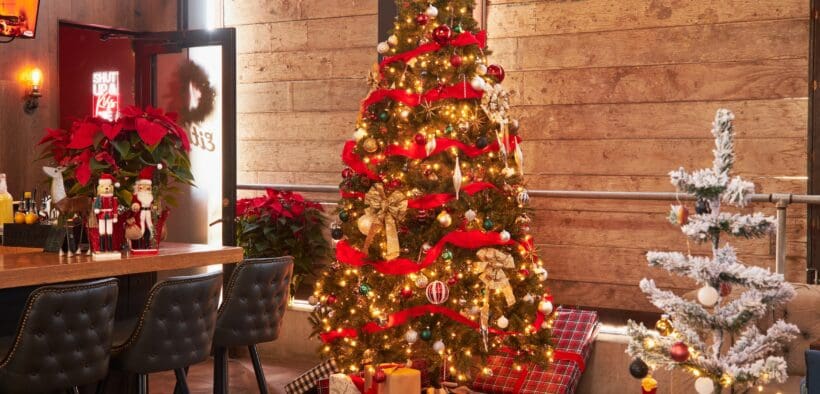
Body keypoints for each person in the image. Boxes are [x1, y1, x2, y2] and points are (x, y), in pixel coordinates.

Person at [92, 174, 118, 252]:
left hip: (110, 215)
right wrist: (97, 209)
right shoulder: (99, 198)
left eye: (108, 186)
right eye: (104, 186)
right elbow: (96, 206)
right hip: (101, 215)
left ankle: (110, 248)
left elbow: (115, 207)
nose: (106, 188)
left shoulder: (113, 198)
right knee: (102, 231)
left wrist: (115, 216)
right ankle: (102, 248)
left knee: (110, 231)